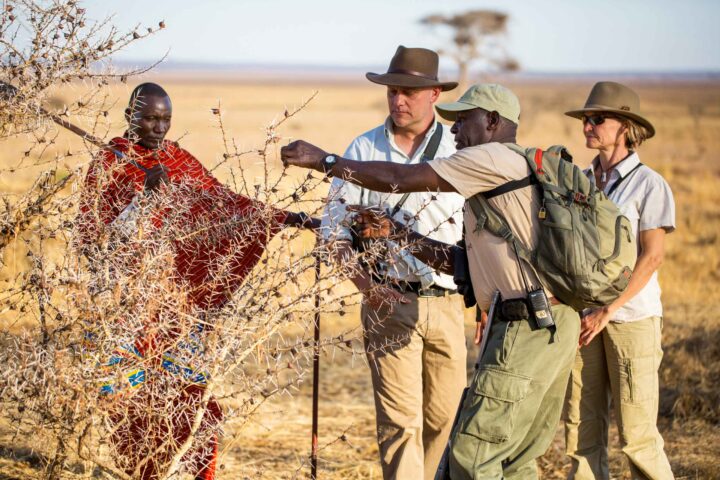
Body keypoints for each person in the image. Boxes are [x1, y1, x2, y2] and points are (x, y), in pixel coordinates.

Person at [281, 83, 582, 479]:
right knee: (515, 455)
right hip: (550, 321)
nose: (455, 130)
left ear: (492, 122)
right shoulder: (514, 167)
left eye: (464, 121)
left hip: (523, 324)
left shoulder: (487, 159)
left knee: (472, 453)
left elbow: (399, 178)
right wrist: (396, 235)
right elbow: (462, 261)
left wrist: (325, 160)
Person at [76, 82, 316, 480]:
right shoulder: (110, 163)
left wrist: (284, 217)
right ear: (130, 117)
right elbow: (94, 241)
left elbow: (224, 206)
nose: (158, 128)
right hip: (126, 306)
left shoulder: (177, 159)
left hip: (177, 306)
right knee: (130, 402)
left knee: (191, 398)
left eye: (165, 119)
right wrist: (144, 198)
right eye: (150, 118)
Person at [320, 45, 467, 480]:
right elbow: (333, 234)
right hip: (389, 299)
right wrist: (368, 289)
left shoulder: (459, 149)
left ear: (434, 94)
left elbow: (479, 234)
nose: (398, 100)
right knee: (401, 424)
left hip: (449, 303)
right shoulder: (362, 148)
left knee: (446, 418)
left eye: (408, 92)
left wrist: (486, 294)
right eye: (392, 91)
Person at [563, 81, 675, 480]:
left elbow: (653, 256)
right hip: (584, 319)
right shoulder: (578, 180)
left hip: (631, 319)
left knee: (637, 434)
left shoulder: (649, 184)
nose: (587, 126)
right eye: (585, 119)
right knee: (580, 431)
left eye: (598, 119)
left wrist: (608, 311)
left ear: (625, 126)